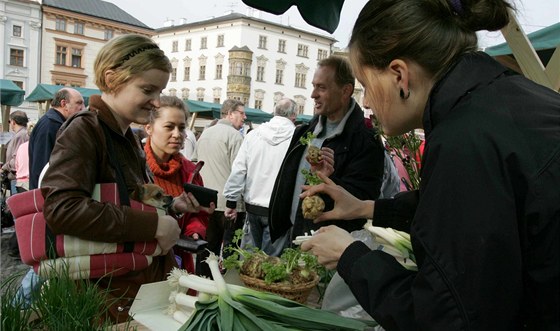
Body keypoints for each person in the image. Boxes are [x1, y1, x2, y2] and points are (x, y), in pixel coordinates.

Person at [300, 0, 560, 329]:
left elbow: (445, 317)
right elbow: (472, 211)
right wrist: (366, 208)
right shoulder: (501, 104)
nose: (365, 102)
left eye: (366, 86)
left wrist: (349, 256)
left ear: (399, 75)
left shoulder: (466, 138)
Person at [40, 34, 207, 323]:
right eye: (147, 89)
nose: (156, 101)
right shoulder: (86, 130)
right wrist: (153, 224)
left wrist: (168, 210)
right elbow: (61, 208)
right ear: (112, 78)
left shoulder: (124, 135)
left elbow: (127, 200)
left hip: (126, 290)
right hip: (105, 296)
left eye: (160, 91)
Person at [268, 55, 385, 245]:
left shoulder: (366, 139)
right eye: (314, 86)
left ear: (346, 91)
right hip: (290, 236)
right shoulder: (305, 131)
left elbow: (362, 204)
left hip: (328, 246)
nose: (313, 94)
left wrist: (329, 181)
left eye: (322, 88)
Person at [144, 95, 212, 273]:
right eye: (169, 127)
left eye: (182, 128)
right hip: (143, 261)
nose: (177, 134)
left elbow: (199, 215)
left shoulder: (191, 171)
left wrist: (195, 231)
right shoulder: (135, 167)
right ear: (149, 128)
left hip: (179, 262)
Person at [223, 98, 298, 256]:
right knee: (272, 265)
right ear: (294, 116)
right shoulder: (297, 139)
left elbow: (239, 169)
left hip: (254, 208)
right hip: (280, 211)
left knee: (249, 261)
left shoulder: (254, 135)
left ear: (274, 113)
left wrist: (231, 201)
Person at [192, 99, 246, 276]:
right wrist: (238, 202)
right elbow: (239, 172)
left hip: (206, 200)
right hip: (227, 203)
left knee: (207, 248)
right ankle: (225, 286)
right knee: (230, 250)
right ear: (230, 114)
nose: (244, 117)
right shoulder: (235, 136)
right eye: (241, 113)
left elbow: (194, 164)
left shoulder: (205, 133)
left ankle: (202, 284)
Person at [29, 88, 85, 190]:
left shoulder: (54, 123)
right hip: (48, 195)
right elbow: (43, 167)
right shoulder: (50, 125)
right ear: (64, 104)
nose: (83, 108)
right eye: (79, 103)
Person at [1, 111, 29, 194]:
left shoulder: (21, 136)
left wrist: (4, 168)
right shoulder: (22, 134)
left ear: (13, 122)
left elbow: (17, 159)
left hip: (18, 178)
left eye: (9, 121)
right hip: (19, 178)